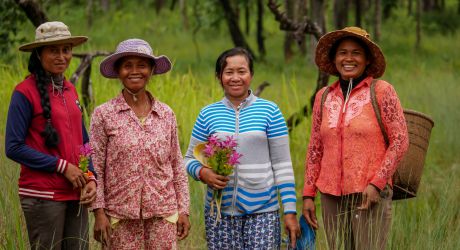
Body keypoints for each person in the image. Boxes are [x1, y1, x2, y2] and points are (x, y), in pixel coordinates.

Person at [302, 26, 409, 250]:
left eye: (356, 53)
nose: (348, 58)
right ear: (334, 58)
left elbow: (400, 141)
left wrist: (377, 184)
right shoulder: (323, 96)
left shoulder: (381, 91)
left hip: (369, 194)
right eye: (342, 52)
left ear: (367, 59)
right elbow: (315, 148)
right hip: (330, 194)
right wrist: (308, 194)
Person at [184, 47, 300, 249]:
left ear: (251, 75)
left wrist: (290, 211)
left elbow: (282, 165)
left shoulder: (270, 111)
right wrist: (203, 173)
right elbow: (188, 159)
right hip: (220, 212)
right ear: (219, 77)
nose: (235, 78)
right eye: (229, 72)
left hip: (264, 210)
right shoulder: (208, 114)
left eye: (242, 71)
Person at [90, 38, 190, 249]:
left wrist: (184, 210)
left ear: (152, 70)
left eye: (142, 65)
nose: (135, 71)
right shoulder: (104, 114)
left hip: (163, 213)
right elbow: (95, 167)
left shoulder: (165, 114)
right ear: (118, 71)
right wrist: (99, 212)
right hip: (119, 215)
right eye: (127, 66)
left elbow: (176, 165)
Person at [5, 21, 97, 249]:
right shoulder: (23, 93)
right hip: (42, 195)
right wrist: (62, 166)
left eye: (66, 50)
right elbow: (13, 147)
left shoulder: (70, 89)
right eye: (53, 50)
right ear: (38, 53)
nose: (61, 56)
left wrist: (91, 176)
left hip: (76, 193)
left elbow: (83, 140)